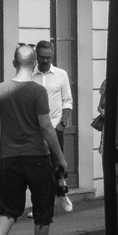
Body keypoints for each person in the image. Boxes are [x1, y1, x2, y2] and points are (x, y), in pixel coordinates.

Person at [0, 46, 69, 235]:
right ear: (34, 63)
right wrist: (60, 158)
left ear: (14, 63)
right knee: (43, 208)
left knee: (8, 208)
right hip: (37, 157)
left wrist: (2, 154)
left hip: (10, 158)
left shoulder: (0, 91)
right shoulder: (37, 91)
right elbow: (46, 126)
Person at [34, 40, 73, 175]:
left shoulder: (61, 74)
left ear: (53, 56)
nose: (45, 60)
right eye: (42, 57)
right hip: (34, 129)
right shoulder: (29, 75)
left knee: (57, 166)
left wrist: (62, 123)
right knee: (37, 168)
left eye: (48, 57)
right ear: (36, 56)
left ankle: (62, 194)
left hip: (55, 127)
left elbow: (67, 101)